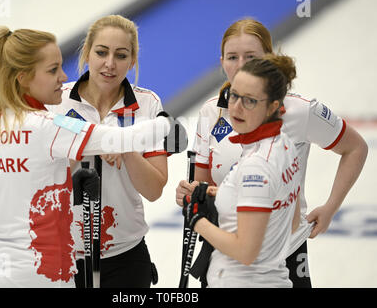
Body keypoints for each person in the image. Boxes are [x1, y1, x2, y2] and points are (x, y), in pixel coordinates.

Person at [0, 26, 175, 288]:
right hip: (48, 273)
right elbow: (126, 137)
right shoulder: (49, 124)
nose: (63, 76)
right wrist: (166, 125)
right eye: (53, 69)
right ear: (22, 77)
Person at [176, 18, 368, 287]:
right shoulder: (211, 112)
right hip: (226, 255)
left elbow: (355, 147)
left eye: (251, 57)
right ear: (222, 62)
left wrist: (330, 207)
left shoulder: (299, 111)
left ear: (269, 58)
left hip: (283, 253)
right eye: (232, 57)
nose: (241, 65)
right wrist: (192, 194)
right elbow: (204, 187)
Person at [47, 15, 167, 288]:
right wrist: (91, 143)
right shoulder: (57, 101)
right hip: (64, 256)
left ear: (132, 60)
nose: (110, 64)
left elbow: (154, 189)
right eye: (101, 52)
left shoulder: (148, 103)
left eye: (121, 55)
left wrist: (125, 147)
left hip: (126, 256)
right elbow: (39, 178)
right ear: (87, 52)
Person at [183, 53, 302, 287]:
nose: (236, 107)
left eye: (249, 100)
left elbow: (246, 252)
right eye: (234, 95)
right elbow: (293, 221)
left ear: (272, 107)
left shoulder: (256, 166)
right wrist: (225, 193)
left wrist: (197, 221)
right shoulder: (284, 144)